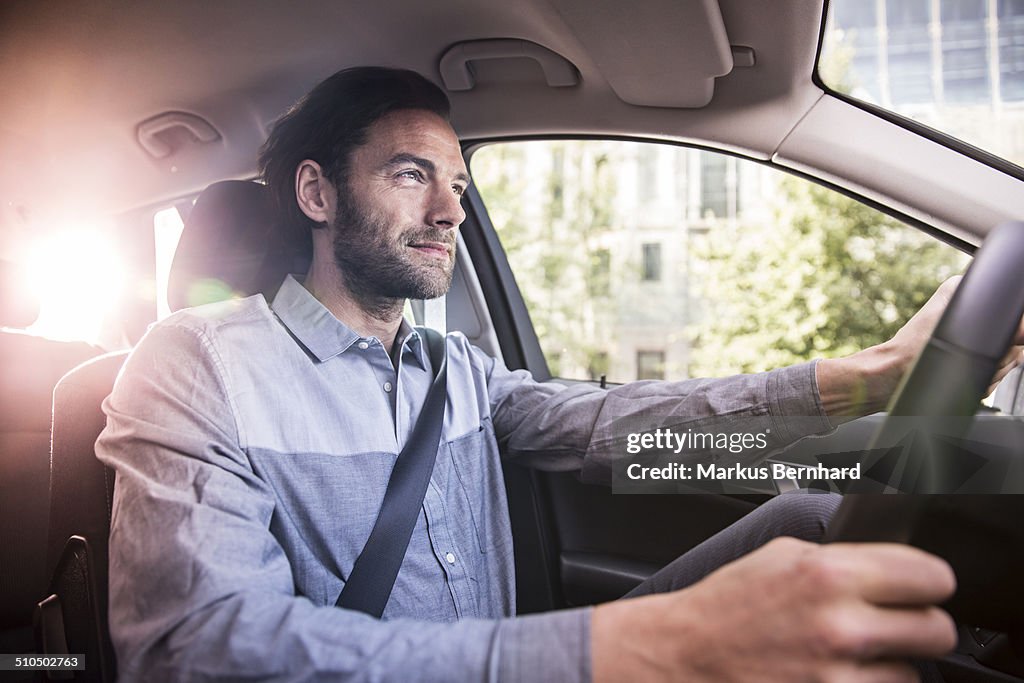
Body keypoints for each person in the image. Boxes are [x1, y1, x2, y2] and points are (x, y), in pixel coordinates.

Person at [96, 67, 1023, 682]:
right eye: (411, 175)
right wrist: (641, 644)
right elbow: (200, 650)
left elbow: (623, 422)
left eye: (457, 184)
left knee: (813, 523)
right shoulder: (196, 362)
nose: (450, 210)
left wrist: (863, 378)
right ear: (316, 193)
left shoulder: (455, 367)